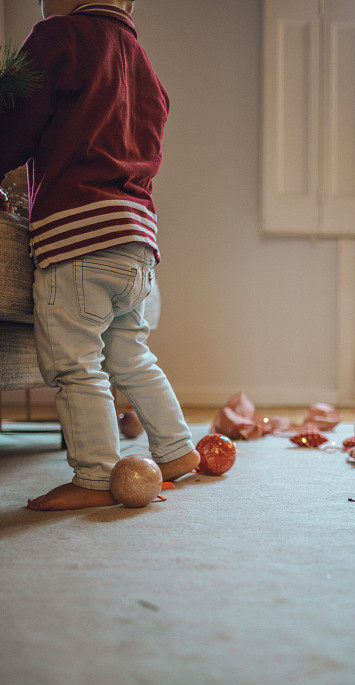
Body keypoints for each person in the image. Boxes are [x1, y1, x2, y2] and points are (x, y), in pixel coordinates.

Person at [0, 0, 200, 510]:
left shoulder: (57, 38)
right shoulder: (144, 66)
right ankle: (177, 451)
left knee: (75, 365)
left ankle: (94, 476)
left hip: (77, 236)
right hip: (138, 238)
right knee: (131, 355)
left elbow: (17, 127)